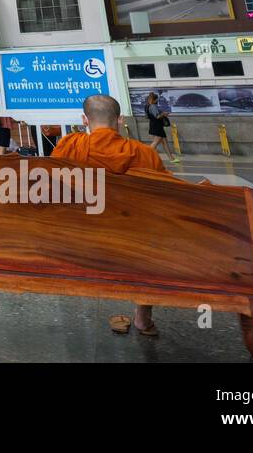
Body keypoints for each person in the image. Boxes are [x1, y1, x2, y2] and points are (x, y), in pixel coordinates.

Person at [51, 94, 176, 336]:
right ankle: (143, 316)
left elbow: (52, 189)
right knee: (151, 237)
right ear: (119, 120)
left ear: (84, 120)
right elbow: (168, 196)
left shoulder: (68, 146)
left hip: (79, 240)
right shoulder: (144, 154)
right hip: (133, 244)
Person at [143, 92, 179, 164]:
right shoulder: (153, 106)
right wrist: (164, 114)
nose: (157, 101)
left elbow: (147, 117)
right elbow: (157, 116)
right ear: (155, 99)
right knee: (155, 143)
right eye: (157, 99)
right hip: (157, 127)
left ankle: (171, 158)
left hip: (155, 125)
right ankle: (144, 157)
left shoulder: (147, 106)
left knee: (165, 143)